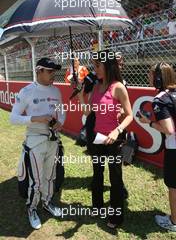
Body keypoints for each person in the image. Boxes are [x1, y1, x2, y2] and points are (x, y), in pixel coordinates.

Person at [78, 50, 133, 229]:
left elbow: (130, 115)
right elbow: (88, 112)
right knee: (97, 173)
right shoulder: (96, 86)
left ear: (108, 66)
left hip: (113, 140)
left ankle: (115, 216)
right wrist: (80, 96)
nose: (95, 69)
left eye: (97, 66)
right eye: (94, 65)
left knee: (115, 178)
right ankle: (97, 206)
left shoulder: (118, 87)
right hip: (97, 137)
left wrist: (117, 131)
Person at [10, 57, 66, 230]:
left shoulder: (56, 91)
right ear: (39, 71)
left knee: (50, 176)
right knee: (36, 180)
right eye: (49, 71)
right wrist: (36, 119)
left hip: (53, 140)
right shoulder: (26, 91)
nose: (53, 75)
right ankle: (32, 208)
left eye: (54, 72)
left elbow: (61, 111)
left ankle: (47, 202)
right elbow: (13, 118)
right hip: (35, 140)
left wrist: (60, 123)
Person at [139, 62, 176, 232]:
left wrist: (150, 122)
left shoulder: (161, 99)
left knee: (173, 185)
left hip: (174, 148)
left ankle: (174, 222)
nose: (148, 77)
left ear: (159, 78)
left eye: (150, 74)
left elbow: (169, 130)